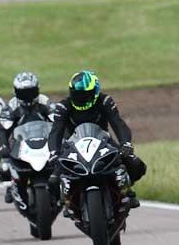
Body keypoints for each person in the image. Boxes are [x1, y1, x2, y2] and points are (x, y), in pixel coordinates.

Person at [48, 71, 146, 208]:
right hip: (72, 145)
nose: (81, 98)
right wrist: (53, 153)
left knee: (136, 164)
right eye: (78, 95)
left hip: (103, 141)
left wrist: (126, 144)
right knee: (52, 180)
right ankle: (67, 202)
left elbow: (118, 124)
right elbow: (55, 132)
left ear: (95, 91)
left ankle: (127, 191)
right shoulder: (63, 107)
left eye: (85, 95)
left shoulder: (105, 101)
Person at [0, 72, 55, 203]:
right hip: (21, 143)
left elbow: (58, 121)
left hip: (43, 140)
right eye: (23, 93)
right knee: (5, 166)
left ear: (37, 90)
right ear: (16, 92)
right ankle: (12, 184)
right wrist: (3, 147)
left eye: (31, 92)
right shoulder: (12, 106)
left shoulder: (44, 101)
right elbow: (2, 128)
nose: (28, 97)